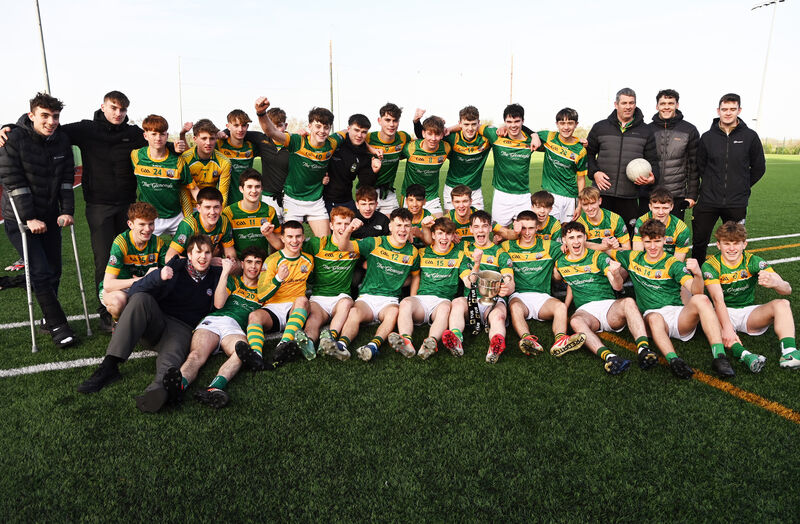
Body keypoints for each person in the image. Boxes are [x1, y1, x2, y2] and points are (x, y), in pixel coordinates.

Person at [77, 234, 225, 413]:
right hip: (157, 321)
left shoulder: (216, 275)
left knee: (171, 362)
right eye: (198, 252)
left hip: (181, 329)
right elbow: (136, 290)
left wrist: (226, 269)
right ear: (189, 255)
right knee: (140, 299)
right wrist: (158, 276)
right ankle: (109, 366)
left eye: (207, 253)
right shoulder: (176, 267)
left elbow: (221, 301)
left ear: (212, 255)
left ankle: (158, 391)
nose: (203, 257)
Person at [0, 92, 76, 347]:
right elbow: (13, 181)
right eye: (44, 116)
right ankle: (58, 325)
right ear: (31, 115)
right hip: (19, 218)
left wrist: (67, 210)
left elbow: (66, 180)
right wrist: (29, 218)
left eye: (55, 116)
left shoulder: (62, 140)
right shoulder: (13, 139)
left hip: (50, 215)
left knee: (54, 268)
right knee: (40, 270)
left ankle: (46, 317)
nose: (50, 121)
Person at [613, 219, 727, 379]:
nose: (652, 246)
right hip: (653, 319)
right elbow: (608, 251)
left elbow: (696, 291)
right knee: (654, 317)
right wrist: (604, 244)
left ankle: (720, 357)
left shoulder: (672, 263)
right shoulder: (632, 258)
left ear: (664, 240)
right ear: (642, 241)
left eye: (657, 241)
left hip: (679, 318)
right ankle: (674, 360)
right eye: (648, 242)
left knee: (702, 300)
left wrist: (698, 274)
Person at [556, 221, 656, 374]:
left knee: (628, 302)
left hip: (609, 308)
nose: (576, 241)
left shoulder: (598, 256)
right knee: (575, 321)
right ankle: (610, 357)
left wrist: (615, 274)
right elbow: (567, 282)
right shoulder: (561, 263)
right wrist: (565, 306)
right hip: (587, 313)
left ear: (585, 238)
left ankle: (643, 349)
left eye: (579, 237)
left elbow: (617, 286)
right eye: (571, 238)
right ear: (564, 240)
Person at [175, 246, 268, 408]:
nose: (253, 266)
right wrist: (226, 272)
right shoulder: (233, 281)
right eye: (249, 262)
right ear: (242, 264)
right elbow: (218, 304)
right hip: (214, 321)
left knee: (241, 353)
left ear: (262, 266)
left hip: (235, 327)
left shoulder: (265, 290)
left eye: (258, 262)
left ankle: (214, 388)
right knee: (196, 355)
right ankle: (178, 387)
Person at [702, 222, 798, 371]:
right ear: (719, 245)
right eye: (727, 243)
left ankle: (789, 353)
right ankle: (745, 355)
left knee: (782, 303)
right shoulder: (710, 265)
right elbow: (717, 300)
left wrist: (775, 283)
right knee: (708, 315)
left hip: (748, 313)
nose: (732, 248)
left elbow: (787, 289)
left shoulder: (754, 261)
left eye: (736, 243)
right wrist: (727, 328)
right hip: (722, 312)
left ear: (744, 244)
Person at [334, 208, 420, 361]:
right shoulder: (376, 242)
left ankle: (373, 346)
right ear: (390, 227)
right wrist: (349, 230)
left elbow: (415, 276)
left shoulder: (413, 252)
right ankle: (341, 345)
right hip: (367, 297)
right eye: (399, 225)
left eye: (407, 226)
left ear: (410, 228)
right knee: (354, 312)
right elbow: (343, 246)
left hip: (390, 300)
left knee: (393, 313)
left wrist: (412, 299)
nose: (402, 230)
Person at [691, 93, 765, 265]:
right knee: (700, 242)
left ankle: (732, 275)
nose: (728, 112)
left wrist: (741, 185)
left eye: (732, 109)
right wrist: (711, 184)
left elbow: (759, 168)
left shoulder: (750, 136)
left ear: (739, 110)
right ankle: (697, 275)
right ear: (718, 111)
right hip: (708, 200)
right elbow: (700, 166)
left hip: (736, 202)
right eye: (724, 109)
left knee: (734, 242)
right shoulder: (707, 137)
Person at [255, 97, 343, 237]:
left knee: (325, 242)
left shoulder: (332, 143)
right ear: (310, 126)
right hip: (292, 201)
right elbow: (271, 132)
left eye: (326, 127)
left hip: (316, 202)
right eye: (318, 126)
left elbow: (349, 131)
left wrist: (372, 149)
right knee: (291, 242)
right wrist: (261, 113)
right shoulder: (297, 141)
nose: (322, 131)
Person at [503, 211, 585, 357]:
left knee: (561, 307)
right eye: (523, 228)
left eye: (531, 228)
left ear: (537, 228)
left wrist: (565, 246)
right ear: (518, 228)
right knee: (515, 307)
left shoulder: (549, 246)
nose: (527, 233)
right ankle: (527, 340)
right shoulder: (506, 246)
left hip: (543, 297)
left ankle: (561, 340)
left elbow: (574, 248)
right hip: (519, 296)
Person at [237, 221, 316, 369]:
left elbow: (313, 280)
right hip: (273, 308)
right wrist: (278, 278)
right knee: (254, 316)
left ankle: (283, 345)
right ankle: (256, 356)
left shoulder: (308, 260)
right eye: (290, 237)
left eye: (298, 236)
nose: (294, 241)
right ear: (282, 238)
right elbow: (262, 295)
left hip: (295, 309)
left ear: (303, 237)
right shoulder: (272, 260)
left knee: (302, 300)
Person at [443, 210, 515, 363]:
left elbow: (509, 279)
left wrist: (507, 287)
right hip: (471, 301)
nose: (480, 230)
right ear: (471, 229)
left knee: (499, 315)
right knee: (457, 303)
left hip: (493, 301)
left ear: (490, 228)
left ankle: (495, 347)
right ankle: (456, 340)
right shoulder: (465, 250)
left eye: (484, 226)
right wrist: (476, 263)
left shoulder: (500, 253)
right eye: (476, 226)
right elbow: (469, 283)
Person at [586, 87, 659, 233]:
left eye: (631, 103)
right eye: (624, 103)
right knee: (600, 235)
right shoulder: (600, 127)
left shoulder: (646, 131)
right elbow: (588, 154)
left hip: (629, 195)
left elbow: (653, 161)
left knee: (627, 236)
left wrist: (652, 179)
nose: (628, 106)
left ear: (635, 104)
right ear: (616, 104)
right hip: (602, 193)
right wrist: (595, 173)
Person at [390, 217, 462, 359]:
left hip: (442, 301)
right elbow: (410, 273)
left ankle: (431, 342)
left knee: (445, 308)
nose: (444, 238)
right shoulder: (422, 252)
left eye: (448, 234)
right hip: (422, 300)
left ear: (453, 236)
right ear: (433, 235)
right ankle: (406, 341)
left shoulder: (459, 254)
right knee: (405, 302)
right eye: (440, 233)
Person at [302, 207, 361, 360]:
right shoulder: (317, 243)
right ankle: (308, 342)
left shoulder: (355, 247)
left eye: (346, 224)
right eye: (339, 223)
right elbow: (293, 251)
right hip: (319, 296)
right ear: (331, 225)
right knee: (313, 320)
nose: (343, 228)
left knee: (346, 303)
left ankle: (329, 339)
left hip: (340, 297)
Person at [100, 202, 167, 321]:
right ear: (130, 224)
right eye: (142, 224)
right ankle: (118, 323)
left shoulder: (158, 242)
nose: (147, 229)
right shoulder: (121, 243)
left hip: (144, 286)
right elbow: (108, 285)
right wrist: (141, 280)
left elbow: (169, 267)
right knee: (118, 303)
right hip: (120, 288)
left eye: (151, 224)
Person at [414, 105, 489, 211]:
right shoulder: (451, 137)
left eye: (473, 124)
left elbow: (505, 132)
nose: (470, 128)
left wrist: (503, 128)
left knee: (479, 221)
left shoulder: (486, 138)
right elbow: (424, 136)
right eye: (466, 124)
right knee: (450, 221)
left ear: (478, 123)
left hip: (474, 190)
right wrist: (416, 122)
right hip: (452, 188)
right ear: (460, 124)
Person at [479, 104, 540, 227]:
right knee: (499, 234)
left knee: (526, 232)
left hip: (523, 195)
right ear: (504, 122)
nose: (513, 125)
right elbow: (473, 125)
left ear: (523, 121)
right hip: (502, 195)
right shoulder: (496, 135)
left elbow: (560, 139)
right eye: (509, 122)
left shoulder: (530, 140)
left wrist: (535, 135)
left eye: (517, 121)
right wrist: (446, 130)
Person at [131, 114, 192, 236]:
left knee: (190, 245)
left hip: (175, 216)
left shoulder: (178, 161)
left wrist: (205, 205)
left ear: (167, 136)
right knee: (141, 247)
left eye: (162, 134)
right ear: (145, 136)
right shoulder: (136, 156)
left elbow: (193, 188)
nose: (158, 138)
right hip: (149, 217)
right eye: (154, 134)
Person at [649, 89, 699, 221]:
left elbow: (694, 167)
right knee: (648, 232)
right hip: (650, 195)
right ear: (657, 106)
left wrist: (692, 195)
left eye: (670, 103)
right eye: (663, 103)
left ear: (677, 105)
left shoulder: (689, 130)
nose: (666, 107)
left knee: (674, 232)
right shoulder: (647, 129)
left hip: (676, 195)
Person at [532, 108, 588, 222]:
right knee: (550, 228)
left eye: (570, 123)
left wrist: (580, 205)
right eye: (562, 123)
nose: (566, 127)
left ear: (576, 124)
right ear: (557, 124)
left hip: (571, 197)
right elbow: (524, 133)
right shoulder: (549, 137)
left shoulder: (580, 150)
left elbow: (581, 179)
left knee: (567, 230)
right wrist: (535, 136)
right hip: (550, 194)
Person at [323, 113, 380, 213]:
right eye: (356, 130)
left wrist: (374, 171)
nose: (359, 135)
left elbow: (366, 183)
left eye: (364, 132)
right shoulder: (336, 143)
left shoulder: (364, 154)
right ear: (348, 129)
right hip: (322, 200)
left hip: (346, 200)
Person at [365, 103, 414, 215]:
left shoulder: (403, 137)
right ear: (379, 121)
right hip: (367, 192)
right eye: (387, 120)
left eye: (395, 120)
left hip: (388, 193)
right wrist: (371, 149)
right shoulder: (368, 138)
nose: (391, 124)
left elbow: (420, 141)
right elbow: (349, 134)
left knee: (394, 224)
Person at [221, 169, 282, 256]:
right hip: (239, 261)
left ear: (262, 188)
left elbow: (280, 246)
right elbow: (224, 246)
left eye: (257, 186)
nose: (254, 191)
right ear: (241, 189)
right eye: (249, 187)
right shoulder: (229, 212)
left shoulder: (269, 211)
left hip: (262, 260)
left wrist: (269, 234)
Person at [166, 187, 236, 263]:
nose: (212, 212)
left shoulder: (224, 221)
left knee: (236, 265)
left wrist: (230, 260)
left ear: (221, 208)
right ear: (198, 208)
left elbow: (230, 250)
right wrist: (208, 261)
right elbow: (169, 257)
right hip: (187, 265)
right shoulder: (189, 225)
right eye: (207, 207)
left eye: (216, 207)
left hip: (210, 261)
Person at [400, 115, 451, 216]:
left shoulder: (446, 148)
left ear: (442, 135)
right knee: (407, 225)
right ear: (423, 133)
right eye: (429, 134)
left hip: (431, 197)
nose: (433, 138)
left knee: (439, 225)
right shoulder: (410, 148)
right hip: (411, 197)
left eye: (437, 134)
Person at [179, 119, 232, 215]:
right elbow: (184, 192)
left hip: (212, 208)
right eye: (204, 138)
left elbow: (223, 195)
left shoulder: (224, 162)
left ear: (216, 139)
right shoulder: (184, 159)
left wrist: (217, 216)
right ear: (195, 139)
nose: (208, 142)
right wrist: (189, 218)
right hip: (189, 207)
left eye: (212, 138)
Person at [632, 187, 690, 260]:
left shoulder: (681, 229)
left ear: (671, 207)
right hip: (646, 262)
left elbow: (677, 262)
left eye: (665, 208)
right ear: (650, 207)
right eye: (656, 208)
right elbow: (637, 255)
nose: (660, 212)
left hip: (669, 263)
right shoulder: (642, 221)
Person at [216, 109, 257, 204]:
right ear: (228, 126)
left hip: (247, 201)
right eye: (236, 125)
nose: (240, 129)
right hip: (225, 201)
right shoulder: (219, 145)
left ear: (247, 126)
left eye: (243, 125)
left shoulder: (252, 146)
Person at [576, 186, 630, 252]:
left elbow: (627, 249)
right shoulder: (580, 223)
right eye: (585, 204)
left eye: (592, 203)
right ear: (581, 204)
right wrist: (604, 247)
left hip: (612, 256)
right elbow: (578, 247)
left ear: (600, 201)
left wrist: (615, 247)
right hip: (592, 257)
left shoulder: (615, 219)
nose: (589, 208)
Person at [405, 184, 432, 249]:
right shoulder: (400, 216)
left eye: (418, 200)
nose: (414, 204)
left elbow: (433, 244)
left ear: (424, 201)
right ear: (406, 201)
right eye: (411, 200)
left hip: (424, 251)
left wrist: (420, 235)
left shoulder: (430, 218)